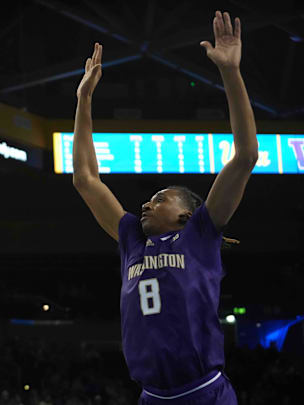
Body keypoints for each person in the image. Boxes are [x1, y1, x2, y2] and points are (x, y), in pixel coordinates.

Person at [71, 11, 256, 405]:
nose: (146, 203)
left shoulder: (201, 234)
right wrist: (84, 98)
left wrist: (230, 73)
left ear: (187, 214)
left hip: (204, 392)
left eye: (159, 198)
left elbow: (245, 156)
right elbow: (86, 180)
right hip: (151, 396)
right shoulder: (131, 240)